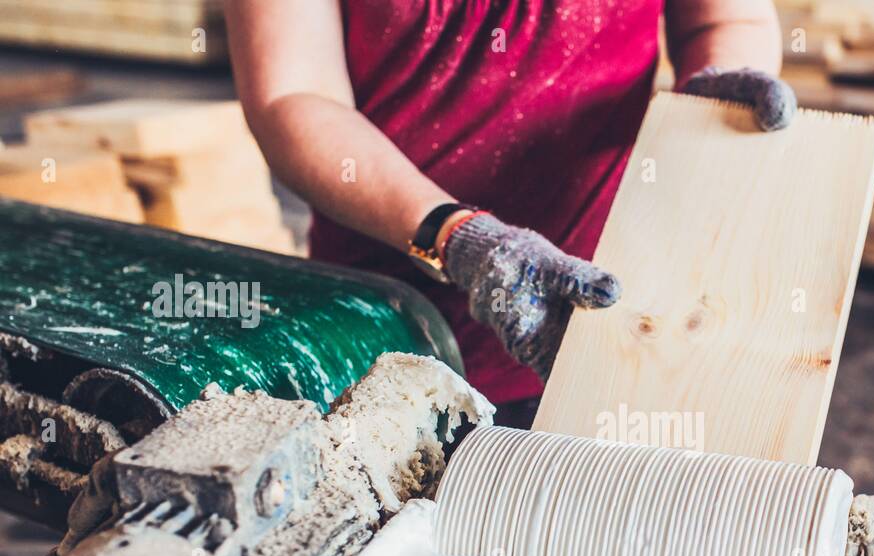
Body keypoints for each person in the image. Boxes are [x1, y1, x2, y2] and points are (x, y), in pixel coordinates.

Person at [226, 0, 795, 424]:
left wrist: (718, 86)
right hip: (377, 334)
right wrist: (457, 237)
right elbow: (293, 93)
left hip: (607, 320)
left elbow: (720, 19)